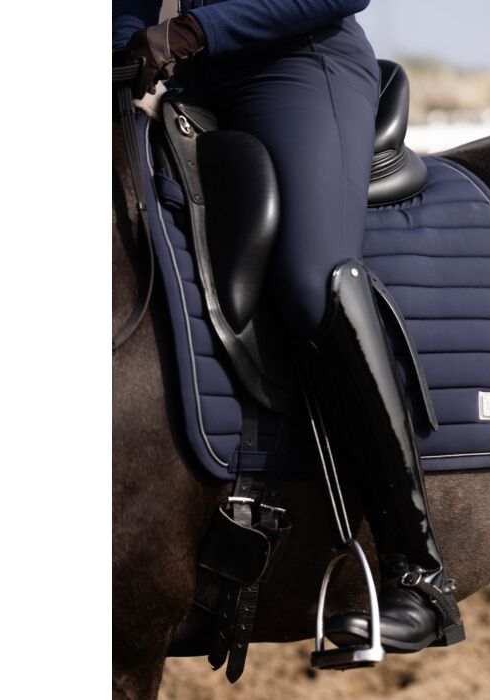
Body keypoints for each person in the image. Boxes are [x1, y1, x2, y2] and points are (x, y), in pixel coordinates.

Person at [113, 0, 463, 654]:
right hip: (189, 85)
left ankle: (418, 574)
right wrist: (119, 42)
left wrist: (194, 30)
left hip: (297, 67)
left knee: (311, 279)